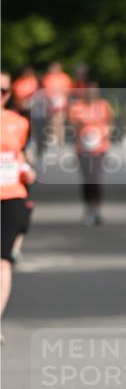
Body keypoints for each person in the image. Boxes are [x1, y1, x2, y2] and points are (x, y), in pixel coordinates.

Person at [1, 71, 37, 325]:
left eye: (3, 91)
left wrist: (27, 170)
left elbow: (21, 156)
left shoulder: (18, 122)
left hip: (11, 194)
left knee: (3, 259)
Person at [68, 83, 114, 225]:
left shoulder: (103, 105)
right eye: (89, 92)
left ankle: (97, 209)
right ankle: (88, 207)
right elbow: (72, 125)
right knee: (87, 179)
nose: (91, 95)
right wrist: (79, 124)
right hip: (82, 147)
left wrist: (107, 133)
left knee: (96, 178)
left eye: (94, 92)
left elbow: (110, 122)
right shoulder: (77, 107)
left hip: (99, 147)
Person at [42, 61, 73, 147]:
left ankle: (60, 139)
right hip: (50, 101)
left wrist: (62, 99)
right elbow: (45, 89)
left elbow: (69, 90)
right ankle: (54, 137)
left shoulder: (65, 78)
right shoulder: (47, 77)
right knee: (51, 120)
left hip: (61, 101)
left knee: (59, 120)